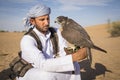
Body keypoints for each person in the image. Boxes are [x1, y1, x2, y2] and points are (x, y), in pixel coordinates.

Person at [16, 3, 87, 80]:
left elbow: (63, 52)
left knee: (75, 65)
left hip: (51, 66)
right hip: (32, 72)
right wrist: (73, 57)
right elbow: (42, 64)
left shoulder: (56, 32)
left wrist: (77, 49)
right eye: (42, 19)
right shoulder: (27, 40)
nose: (46, 23)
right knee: (46, 76)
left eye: (48, 18)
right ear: (33, 21)